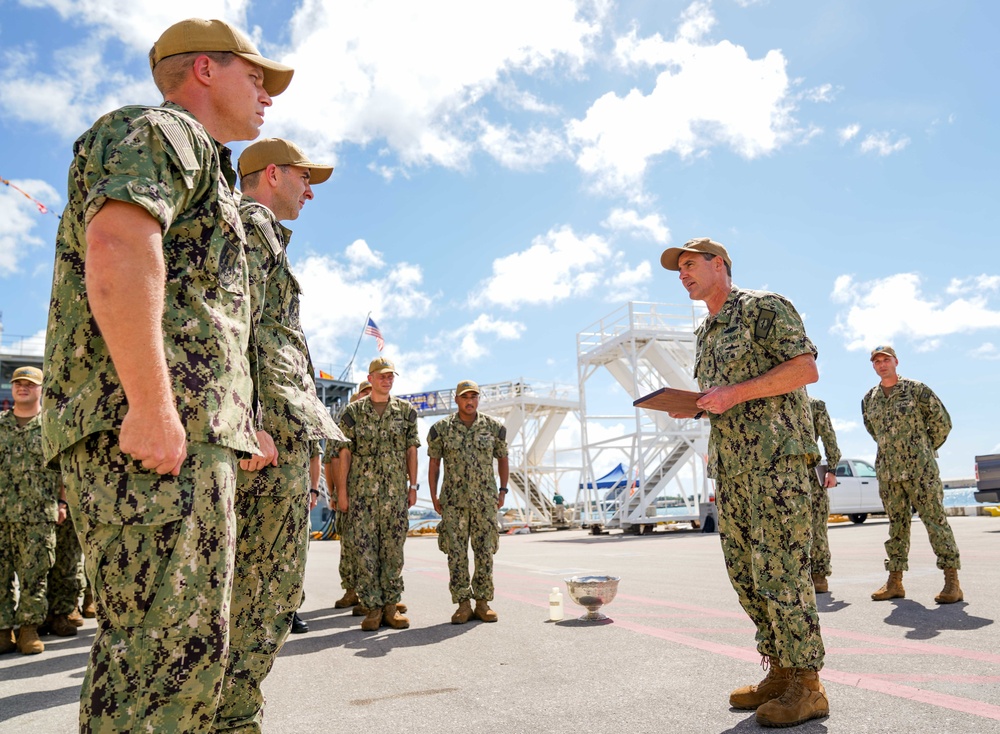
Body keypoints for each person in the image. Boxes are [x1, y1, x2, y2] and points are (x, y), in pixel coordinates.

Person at [41, 18, 292, 733]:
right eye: (257, 75)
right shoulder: (161, 132)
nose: (267, 94)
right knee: (156, 661)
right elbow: (118, 242)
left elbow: (206, 316)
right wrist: (151, 404)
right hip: (148, 437)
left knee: (188, 657)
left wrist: (240, 427)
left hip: (185, 437)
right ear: (205, 71)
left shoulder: (204, 165)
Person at [661, 238, 828, 727]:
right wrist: (694, 404)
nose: (683, 274)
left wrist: (734, 394)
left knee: (783, 571)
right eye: (679, 269)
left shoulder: (764, 308)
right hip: (732, 470)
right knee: (748, 576)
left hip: (777, 463)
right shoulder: (706, 332)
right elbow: (721, 400)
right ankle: (780, 670)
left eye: (690, 265)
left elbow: (805, 369)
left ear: (720, 265)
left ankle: (809, 685)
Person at [212, 138, 346, 729]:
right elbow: (236, 324)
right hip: (266, 445)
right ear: (271, 174)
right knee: (264, 595)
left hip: (273, 437)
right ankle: (233, 719)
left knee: (264, 595)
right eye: (304, 178)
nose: (310, 191)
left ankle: (234, 716)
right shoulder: (252, 223)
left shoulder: (255, 228)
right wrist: (254, 422)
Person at [862, 345, 962, 604]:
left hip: (921, 471)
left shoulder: (917, 390)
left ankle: (952, 582)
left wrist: (924, 449)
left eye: (886, 359)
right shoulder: (868, 399)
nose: (882, 364)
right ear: (873, 366)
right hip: (889, 473)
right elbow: (875, 433)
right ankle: (895, 582)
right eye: (877, 361)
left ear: (896, 361)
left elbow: (942, 422)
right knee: (896, 527)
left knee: (935, 522)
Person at [336, 357, 419, 631]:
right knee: (365, 552)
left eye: (391, 376)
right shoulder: (352, 413)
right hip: (362, 495)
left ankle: (391, 608)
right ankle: (372, 609)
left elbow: (411, 450)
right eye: (382, 376)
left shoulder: (406, 412)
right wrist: (343, 492)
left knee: (393, 552)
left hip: (395, 494)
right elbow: (344, 453)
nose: (387, 380)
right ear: (370, 378)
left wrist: (413, 486)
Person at [427, 380, 509, 624]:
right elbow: (434, 464)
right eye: (465, 397)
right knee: (456, 553)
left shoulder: (494, 428)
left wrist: (503, 490)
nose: (470, 401)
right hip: (453, 502)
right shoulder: (441, 429)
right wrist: (433, 495)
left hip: (485, 501)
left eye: (474, 396)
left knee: (485, 551)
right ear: (456, 400)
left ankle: (483, 603)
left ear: (478, 399)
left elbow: (503, 458)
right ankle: (463, 603)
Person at [0, 366, 64, 655]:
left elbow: (64, 470)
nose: (22, 387)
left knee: (35, 576)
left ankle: (28, 629)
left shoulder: (51, 427)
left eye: (29, 384)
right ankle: (3, 630)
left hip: (38, 515)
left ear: (41, 389)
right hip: (1, 514)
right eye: (17, 383)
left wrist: (62, 503)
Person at [324, 381, 372, 615]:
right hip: (349, 494)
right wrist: (334, 493)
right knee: (350, 546)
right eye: (364, 392)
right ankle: (352, 590)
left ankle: (375, 595)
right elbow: (330, 461)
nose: (367, 396)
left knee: (376, 547)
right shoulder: (341, 427)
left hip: (374, 496)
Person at [807, 397, 840, 594]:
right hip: (782, 476)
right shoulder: (776, 402)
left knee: (817, 526)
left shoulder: (815, 405)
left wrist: (833, 469)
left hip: (811, 474)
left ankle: (819, 576)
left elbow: (829, 438)